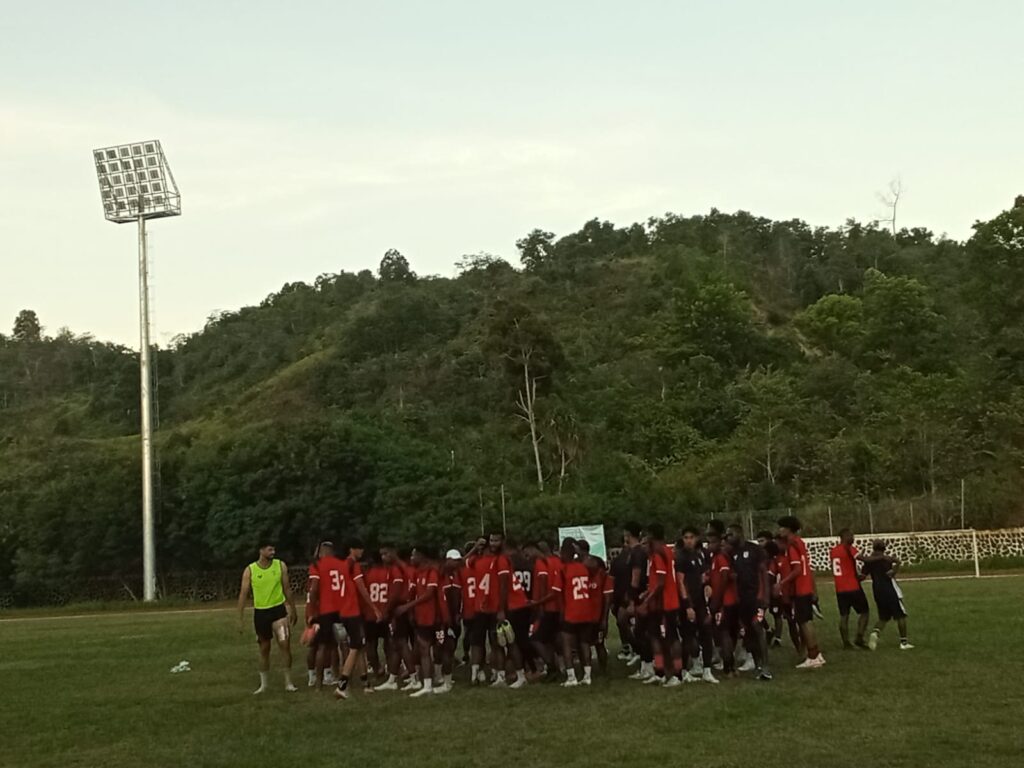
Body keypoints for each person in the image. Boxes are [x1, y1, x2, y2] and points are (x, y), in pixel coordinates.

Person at [236, 540, 298, 694]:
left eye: (273, 549)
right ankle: (264, 684)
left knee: (284, 644)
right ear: (261, 550)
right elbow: (243, 594)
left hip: (278, 611)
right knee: (264, 648)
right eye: (270, 550)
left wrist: (293, 608)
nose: (273, 552)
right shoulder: (250, 570)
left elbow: (287, 588)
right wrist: (240, 618)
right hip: (261, 613)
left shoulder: (280, 565)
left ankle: (288, 682)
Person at [321, 542, 380, 700]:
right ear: (351, 549)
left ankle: (365, 682)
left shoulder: (340, 565)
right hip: (352, 611)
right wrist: (374, 608)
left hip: (343, 610)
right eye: (359, 548)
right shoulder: (353, 565)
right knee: (355, 647)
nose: (362, 550)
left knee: (359, 647)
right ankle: (342, 685)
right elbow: (362, 588)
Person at [395, 546, 449, 698]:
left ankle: (446, 681)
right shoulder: (418, 573)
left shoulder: (432, 572)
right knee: (424, 650)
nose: (412, 558)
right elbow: (415, 594)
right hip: (422, 618)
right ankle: (427, 685)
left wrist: (407, 607)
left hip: (436, 618)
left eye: (414, 555)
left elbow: (429, 594)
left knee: (441, 649)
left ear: (422, 556)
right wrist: (412, 612)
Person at [777, 515, 826, 669]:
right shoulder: (799, 542)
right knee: (806, 621)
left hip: (800, 587)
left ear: (788, 528)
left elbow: (797, 569)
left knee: (804, 622)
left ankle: (813, 655)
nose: (779, 530)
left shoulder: (792, 545)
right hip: (805, 586)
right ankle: (816, 653)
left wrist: (782, 583)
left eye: (781, 527)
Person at [727, 524, 772, 680]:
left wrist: (765, 596)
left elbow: (763, 573)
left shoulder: (755, 550)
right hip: (742, 599)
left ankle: (766, 667)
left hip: (756, 597)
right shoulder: (732, 553)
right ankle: (758, 663)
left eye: (731, 534)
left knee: (757, 626)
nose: (728, 538)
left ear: (739, 533)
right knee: (748, 633)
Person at [639, 524, 682, 687]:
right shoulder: (665, 551)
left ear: (652, 536)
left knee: (670, 638)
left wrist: (647, 600)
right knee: (661, 637)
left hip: (666, 602)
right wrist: (647, 593)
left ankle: (677, 675)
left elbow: (661, 583)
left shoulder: (659, 553)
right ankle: (664, 672)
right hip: (663, 601)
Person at [676, 526, 718, 684]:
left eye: (691, 537)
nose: (688, 540)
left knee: (706, 632)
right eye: (686, 537)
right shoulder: (681, 557)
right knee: (688, 636)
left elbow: (703, 576)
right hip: (689, 603)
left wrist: (707, 585)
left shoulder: (699, 555)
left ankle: (707, 670)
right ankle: (684, 670)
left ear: (697, 538)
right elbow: (680, 582)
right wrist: (687, 605)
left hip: (700, 601)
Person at [859, 541, 913, 651]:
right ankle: (904, 642)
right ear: (884, 548)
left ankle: (875, 632)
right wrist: (895, 567)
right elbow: (892, 572)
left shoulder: (869, 561)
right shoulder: (886, 560)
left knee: (883, 617)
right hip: (889, 589)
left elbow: (862, 577)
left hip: (877, 591)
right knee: (900, 616)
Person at [556, 538, 594, 687]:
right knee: (584, 643)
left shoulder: (563, 569)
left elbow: (558, 593)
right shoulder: (583, 567)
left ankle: (571, 677)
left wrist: (561, 611)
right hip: (586, 609)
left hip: (571, 611)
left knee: (566, 643)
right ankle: (587, 675)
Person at [830, 529, 870, 649]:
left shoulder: (833, 551)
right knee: (865, 612)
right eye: (851, 535)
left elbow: (843, 566)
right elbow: (863, 559)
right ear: (844, 536)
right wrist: (880, 558)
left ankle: (846, 643)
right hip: (853, 587)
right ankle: (859, 638)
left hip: (840, 588)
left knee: (844, 615)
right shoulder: (848, 548)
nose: (853, 538)